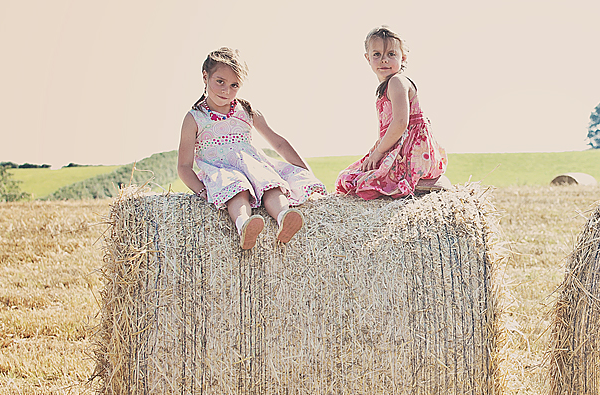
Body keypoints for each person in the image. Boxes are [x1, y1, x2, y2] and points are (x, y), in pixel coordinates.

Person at [177, 47, 328, 249]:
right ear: (205, 77)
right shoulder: (194, 118)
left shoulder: (246, 111)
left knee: (272, 185)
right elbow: (184, 166)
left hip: (252, 166)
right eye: (220, 82)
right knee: (237, 190)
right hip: (222, 172)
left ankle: (284, 217)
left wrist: (304, 170)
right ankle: (244, 225)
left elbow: (279, 143)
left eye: (234, 85)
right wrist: (200, 190)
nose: (226, 91)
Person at [337, 27, 449, 199]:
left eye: (391, 54)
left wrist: (379, 152)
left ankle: (421, 181)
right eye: (377, 54)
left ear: (402, 58)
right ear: (367, 58)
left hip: (413, 153)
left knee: (354, 180)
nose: (384, 60)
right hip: (401, 147)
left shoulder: (397, 81)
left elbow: (400, 123)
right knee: (352, 177)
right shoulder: (387, 87)